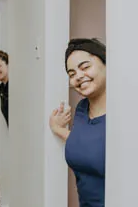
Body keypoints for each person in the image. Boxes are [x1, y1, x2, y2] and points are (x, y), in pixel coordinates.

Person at [49, 38, 106, 207]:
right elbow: (88, 144)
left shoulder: (124, 115)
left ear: (106, 63)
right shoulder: (82, 108)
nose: (79, 77)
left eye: (85, 67)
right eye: (72, 74)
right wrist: (57, 128)